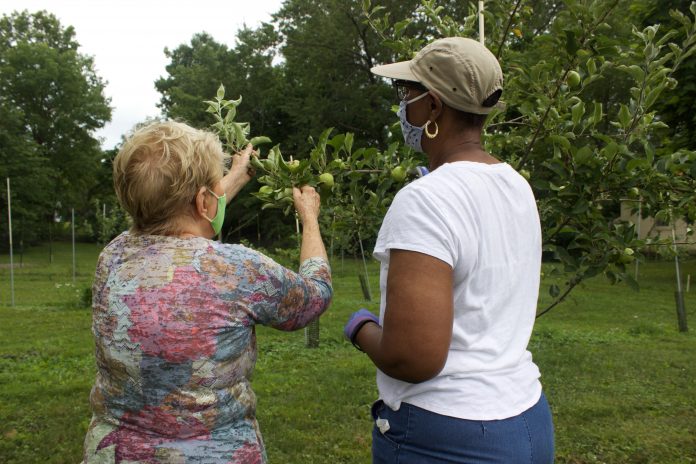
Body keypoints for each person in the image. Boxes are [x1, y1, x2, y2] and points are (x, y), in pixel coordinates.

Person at [343, 37, 554, 463]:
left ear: (433, 107)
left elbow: (412, 358)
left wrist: (361, 328)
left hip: (448, 435)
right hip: (526, 418)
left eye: (408, 94)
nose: (402, 106)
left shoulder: (425, 199)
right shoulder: (516, 185)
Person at [82, 121, 332, 463]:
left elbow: (183, 214)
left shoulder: (112, 256)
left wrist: (238, 175)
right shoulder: (238, 269)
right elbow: (314, 296)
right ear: (203, 200)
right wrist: (310, 217)